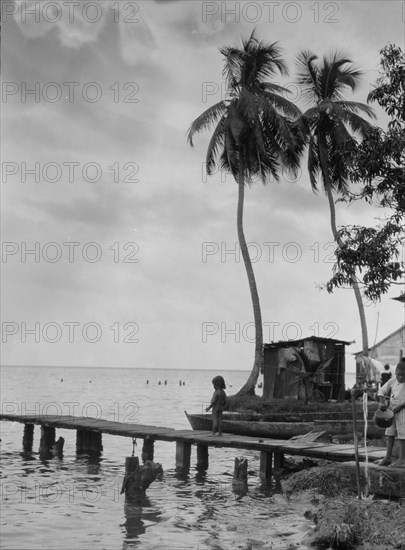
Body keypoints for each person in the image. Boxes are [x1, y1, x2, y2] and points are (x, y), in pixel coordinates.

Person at [377, 361, 405, 467]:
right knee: (390, 433)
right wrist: (382, 401)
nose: (401, 377)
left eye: (403, 375)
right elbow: (381, 391)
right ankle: (387, 457)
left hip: (403, 411)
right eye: (399, 374)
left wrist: (401, 406)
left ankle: (402, 460)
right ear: (395, 372)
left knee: (403, 434)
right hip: (392, 411)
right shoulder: (392, 381)